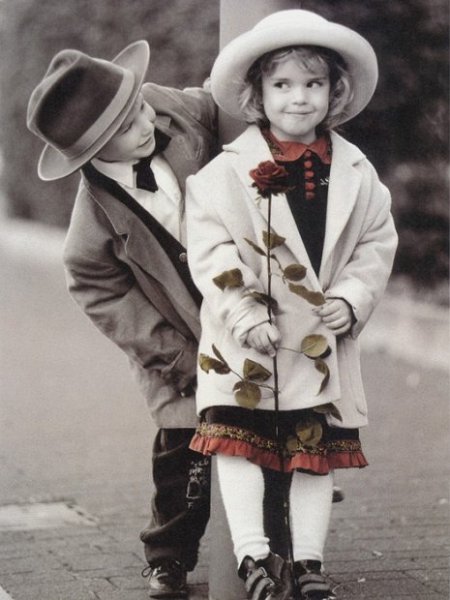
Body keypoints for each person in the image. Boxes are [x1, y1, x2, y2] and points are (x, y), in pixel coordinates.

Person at [185, 9, 398, 600]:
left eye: (313, 84)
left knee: (313, 450)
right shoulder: (222, 175)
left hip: (317, 340)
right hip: (248, 339)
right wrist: (243, 311)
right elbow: (211, 251)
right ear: (258, 94)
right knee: (238, 441)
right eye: (282, 84)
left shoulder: (356, 172)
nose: (298, 98)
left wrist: (353, 297)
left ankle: (308, 562)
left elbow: (376, 242)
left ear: (334, 92)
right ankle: (252, 554)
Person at [26, 40, 217, 599]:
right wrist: (179, 358)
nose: (145, 122)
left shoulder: (167, 108)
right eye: (127, 126)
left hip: (239, 302)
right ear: (92, 153)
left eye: (139, 107)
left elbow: (220, 100)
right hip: (175, 341)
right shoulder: (93, 220)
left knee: (273, 424)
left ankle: (280, 540)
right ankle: (168, 554)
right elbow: (98, 290)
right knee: (185, 451)